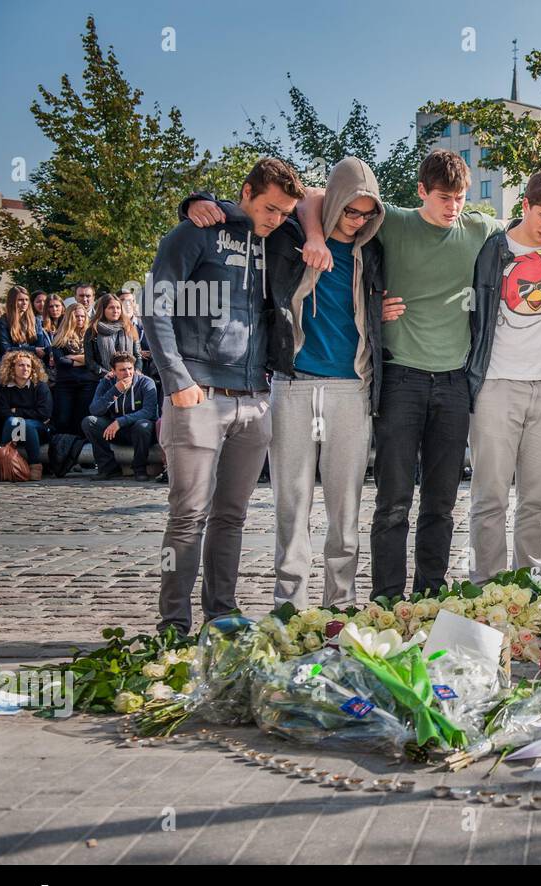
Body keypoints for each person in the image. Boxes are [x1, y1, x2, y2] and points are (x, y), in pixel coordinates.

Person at [291, 149, 541, 598]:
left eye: (461, 198)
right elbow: (315, 196)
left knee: (441, 504)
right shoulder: (394, 222)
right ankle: (387, 597)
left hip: (454, 383)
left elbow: (531, 229)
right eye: (444, 198)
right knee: (392, 502)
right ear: (421, 192)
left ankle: (430, 594)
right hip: (401, 380)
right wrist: (315, 235)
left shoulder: (482, 231)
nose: (454, 207)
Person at [184, 155, 401, 608]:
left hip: (351, 387)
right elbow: (256, 209)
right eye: (350, 211)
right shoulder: (289, 236)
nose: (357, 221)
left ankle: (340, 604)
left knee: (345, 509)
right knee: (291, 504)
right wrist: (197, 202)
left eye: (366, 214)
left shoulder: (374, 249)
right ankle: (291, 605)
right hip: (293, 384)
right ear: (335, 203)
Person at [144, 157, 304, 636]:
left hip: (256, 396)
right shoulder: (197, 231)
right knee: (188, 514)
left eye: (285, 211)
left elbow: (322, 200)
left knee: (232, 514)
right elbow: (155, 305)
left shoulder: (277, 239)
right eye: (270, 207)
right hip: (199, 391)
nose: (277, 218)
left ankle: (222, 613)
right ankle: (173, 622)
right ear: (247, 191)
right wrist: (177, 380)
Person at [467, 168, 541, 583]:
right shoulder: (491, 248)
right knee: (489, 497)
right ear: (524, 206)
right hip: (496, 386)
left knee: (539, 500)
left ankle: (528, 584)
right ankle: (487, 586)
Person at [82, 351, 158, 480]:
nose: (127, 373)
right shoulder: (106, 382)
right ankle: (108, 468)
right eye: (122, 370)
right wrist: (115, 391)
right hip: (115, 431)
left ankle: (139, 469)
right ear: (113, 370)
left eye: (130, 369)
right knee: (89, 422)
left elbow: (148, 412)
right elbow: (94, 410)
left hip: (138, 430)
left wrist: (120, 422)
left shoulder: (146, 382)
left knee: (143, 425)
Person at [0, 349, 52, 480]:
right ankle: (4, 462)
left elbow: (44, 413)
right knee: (12, 421)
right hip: (12, 428)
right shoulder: (4, 388)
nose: (25, 368)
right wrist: (20, 417)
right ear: (11, 368)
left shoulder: (41, 387)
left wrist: (17, 411)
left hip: (38, 428)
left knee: (26, 424)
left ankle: (35, 465)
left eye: (28, 366)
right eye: (21, 365)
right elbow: (2, 413)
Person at [49, 302, 99, 437]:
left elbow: (94, 360)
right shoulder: (60, 336)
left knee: (81, 418)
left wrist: (73, 357)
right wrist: (85, 360)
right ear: (70, 318)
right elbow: (61, 362)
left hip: (88, 382)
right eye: (77, 316)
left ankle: (79, 449)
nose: (81, 319)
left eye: (83, 316)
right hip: (65, 383)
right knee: (63, 419)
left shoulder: (92, 336)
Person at [84, 293, 141, 377]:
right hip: (103, 378)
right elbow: (89, 361)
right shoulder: (93, 330)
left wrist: (136, 371)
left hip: (129, 376)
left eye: (118, 308)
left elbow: (138, 356)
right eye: (111, 308)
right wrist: (106, 373)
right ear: (103, 310)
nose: (115, 311)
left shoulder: (129, 327)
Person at [0, 285, 50, 364]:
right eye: (20, 300)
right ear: (12, 302)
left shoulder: (36, 320)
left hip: (33, 361)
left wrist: (33, 350)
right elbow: (6, 349)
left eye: (26, 300)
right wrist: (33, 349)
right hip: (11, 362)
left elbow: (40, 346)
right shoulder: (2, 321)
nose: (24, 303)